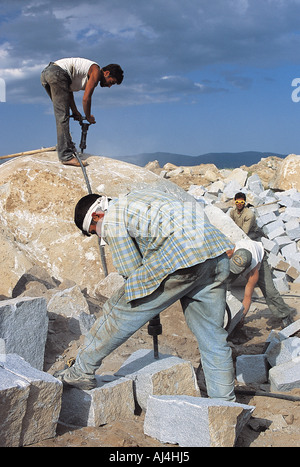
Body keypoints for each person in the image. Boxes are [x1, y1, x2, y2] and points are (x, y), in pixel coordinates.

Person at [56, 189, 236, 401]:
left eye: (95, 231)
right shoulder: (143, 195)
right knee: (212, 335)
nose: (101, 236)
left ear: (97, 216)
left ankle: (81, 371)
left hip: (181, 257)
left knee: (117, 310)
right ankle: (224, 403)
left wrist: (147, 302)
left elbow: (131, 272)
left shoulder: (112, 216)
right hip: (215, 253)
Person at [41, 58, 124, 167]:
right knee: (62, 115)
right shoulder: (96, 71)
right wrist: (88, 116)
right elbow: (86, 98)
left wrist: (75, 111)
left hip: (47, 74)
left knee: (63, 112)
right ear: (107, 73)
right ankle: (66, 156)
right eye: (111, 82)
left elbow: (68, 92)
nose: (109, 86)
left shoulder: (81, 74)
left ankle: (67, 145)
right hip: (56, 74)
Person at [227, 239, 295, 328]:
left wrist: (241, 317)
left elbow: (247, 297)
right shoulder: (229, 250)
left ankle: (284, 314)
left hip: (260, 256)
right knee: (222, 282)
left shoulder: (253, 272)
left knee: (269, 291)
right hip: (244, 252)